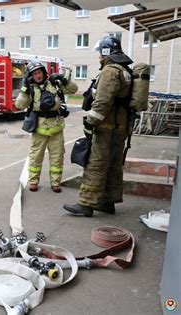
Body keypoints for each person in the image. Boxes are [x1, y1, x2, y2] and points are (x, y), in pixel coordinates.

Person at [63, 36, 133, 217]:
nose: (98, 56)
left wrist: (90, 121)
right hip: (120, 128)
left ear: (106, 52)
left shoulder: (110, 71)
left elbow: (103, 101)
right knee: (113, 165)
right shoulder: (125, 70)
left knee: (96, 164)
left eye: (100, 53)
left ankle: (86, 204)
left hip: (107, 128)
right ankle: (108, 202)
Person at [15, 61, 78, 192]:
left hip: (56, 127)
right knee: (36, 156)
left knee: (57, 156)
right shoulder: (30, 87)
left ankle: (55, 182)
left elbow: (74, 89)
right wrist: (24, 89)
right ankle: (33, 181)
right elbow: (19, 105)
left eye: (39, 72)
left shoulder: (54, 83)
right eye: (35, 73)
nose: (38, 75)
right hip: (39, 128)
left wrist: (64, 79)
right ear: (31, 76)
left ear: (44, 72)